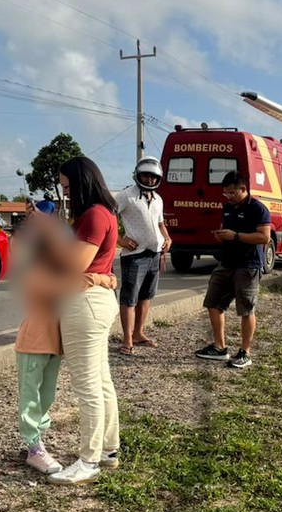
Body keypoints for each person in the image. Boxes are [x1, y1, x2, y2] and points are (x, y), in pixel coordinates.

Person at [11, 199, 117, 475]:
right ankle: (33, 447)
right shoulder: (35, 272)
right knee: (31, 397)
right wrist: (99, 279)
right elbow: (63, 286)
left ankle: (38, 442)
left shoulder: (51, 266)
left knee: (45, 396)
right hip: (34, 342)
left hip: (52, 344)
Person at [37, 155, 120, 486]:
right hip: (94, 302)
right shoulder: (100, 214)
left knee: (87, 386)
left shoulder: (94, 216)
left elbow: (75, 263)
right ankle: (109, 450)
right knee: (100, 381)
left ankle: (89, 460)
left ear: (83, 182)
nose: (66, 192)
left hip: (84, 304)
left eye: (68, 186)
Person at [194, 171, 271, 369]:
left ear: (243, 189)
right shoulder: (227, 208)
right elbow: (225, 228)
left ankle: (245, 352)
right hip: (226, 263)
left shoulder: (258, 209)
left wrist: (236, 236)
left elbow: (264, 237)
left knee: (246, 309)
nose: (227, 197)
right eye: (225, 193)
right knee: (213, 303)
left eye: (231, 193)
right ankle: (219, 347)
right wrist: (221, 235)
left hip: (248, 266)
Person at [115, 156, 172, 355]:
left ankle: (139, 333)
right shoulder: (125, 196)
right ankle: (127, 338)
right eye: (145, 175)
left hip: (155, 254)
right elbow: (108, 216)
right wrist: (119, 240)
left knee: (146, 296)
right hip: (134, 255)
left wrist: (167, 238)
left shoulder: (158, 199)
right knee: (129, 297)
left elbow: (160, 223)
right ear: (138, 175)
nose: (149, 180)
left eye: (153, 177)